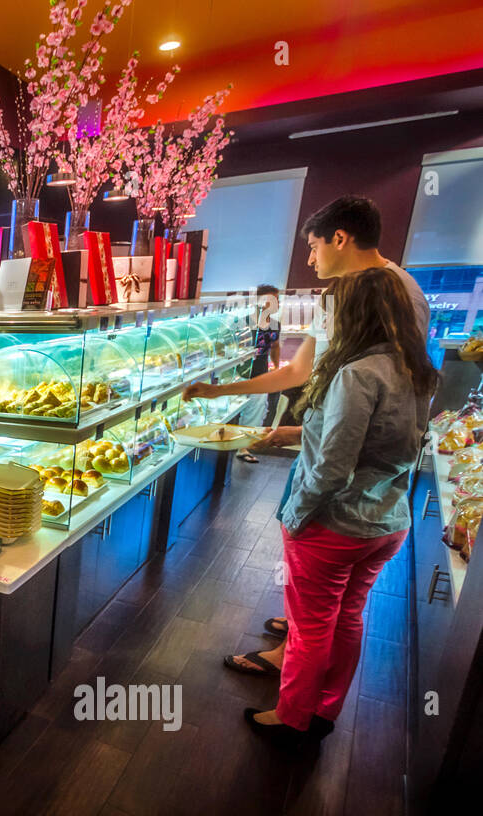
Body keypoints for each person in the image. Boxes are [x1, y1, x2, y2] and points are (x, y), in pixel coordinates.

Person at [183, 196, 431, 677]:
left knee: (322, 576)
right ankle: (301, 635)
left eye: (315, 247)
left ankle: (294, 657)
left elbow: (370, 396)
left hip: (349, 483)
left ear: (341, 238)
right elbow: (300, 370)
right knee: (329, 596)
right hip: (357, 474)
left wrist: (308, 488)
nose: (311, 259)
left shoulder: (385, 295)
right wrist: (222, 388)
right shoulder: (353, 292)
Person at [244, 267, 436, 747]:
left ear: (354, 315)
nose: (325, 323)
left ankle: (291, 719)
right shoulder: (416, 368)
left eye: (332, 312)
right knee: (348, 617)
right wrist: (298, 433)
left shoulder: (356, 374)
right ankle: (325, 711)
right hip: (387, 521)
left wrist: (295, 513)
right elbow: (381, 442)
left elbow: (333, 468)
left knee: (309, 629)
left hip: (336, 525)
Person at [235, 284, 282, 464]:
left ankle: (243, 447)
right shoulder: (244, 322)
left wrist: (276, 368)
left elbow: (275, 347)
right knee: (234, 412)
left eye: (277, 299)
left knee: (255, 413)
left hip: (261, 376)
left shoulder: (276, 325)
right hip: (239, 376)